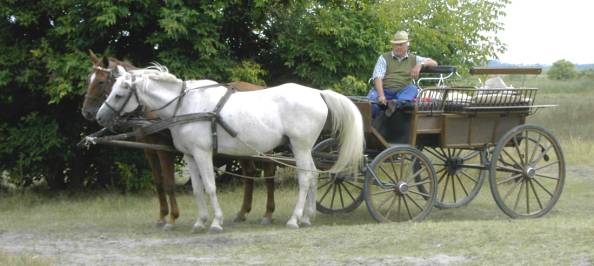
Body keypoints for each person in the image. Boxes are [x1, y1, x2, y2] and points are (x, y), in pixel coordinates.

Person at [368, 30, 438, 117]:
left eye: (400, 44)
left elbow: (434, 63)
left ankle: (396, 105)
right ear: (393, 45)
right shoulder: (384, 58)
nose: (398, 47)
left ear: (407, 45)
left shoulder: (414, 58)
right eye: (396, 44)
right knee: (370, 105)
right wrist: (381, 96)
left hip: (402, 92)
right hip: (384, 90)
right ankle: (393, 109)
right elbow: (377, 77)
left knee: (412, 88)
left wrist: (420, 64)